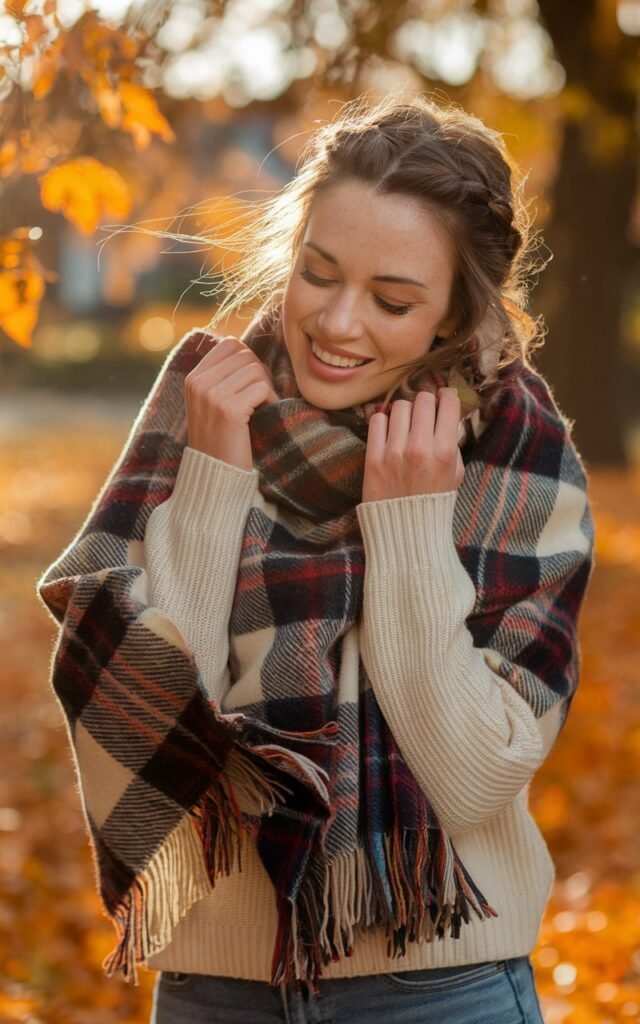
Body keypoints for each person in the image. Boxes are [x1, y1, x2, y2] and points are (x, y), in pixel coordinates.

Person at [36, 94, 594, 1024]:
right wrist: (214, 478)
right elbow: (148, 703)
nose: (337, 324)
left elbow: (471, 776)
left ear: (455, 313)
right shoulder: (207, 402)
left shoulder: (518, 457)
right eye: (317, 274)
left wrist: (410, 521)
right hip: (219, 991)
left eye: (391, 299)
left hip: (444, 989)